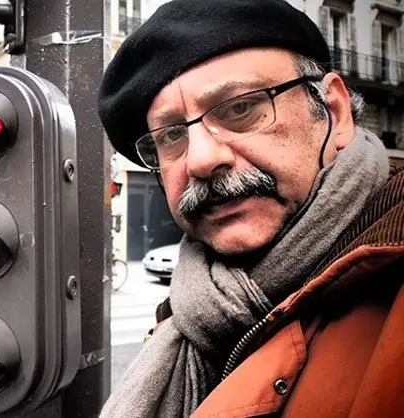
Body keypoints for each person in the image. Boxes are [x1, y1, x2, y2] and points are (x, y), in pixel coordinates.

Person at [97, 0, 404, 416]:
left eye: (241, 108)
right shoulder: (192, 307)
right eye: (171, 136)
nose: (200, 160)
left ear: (334, 111)